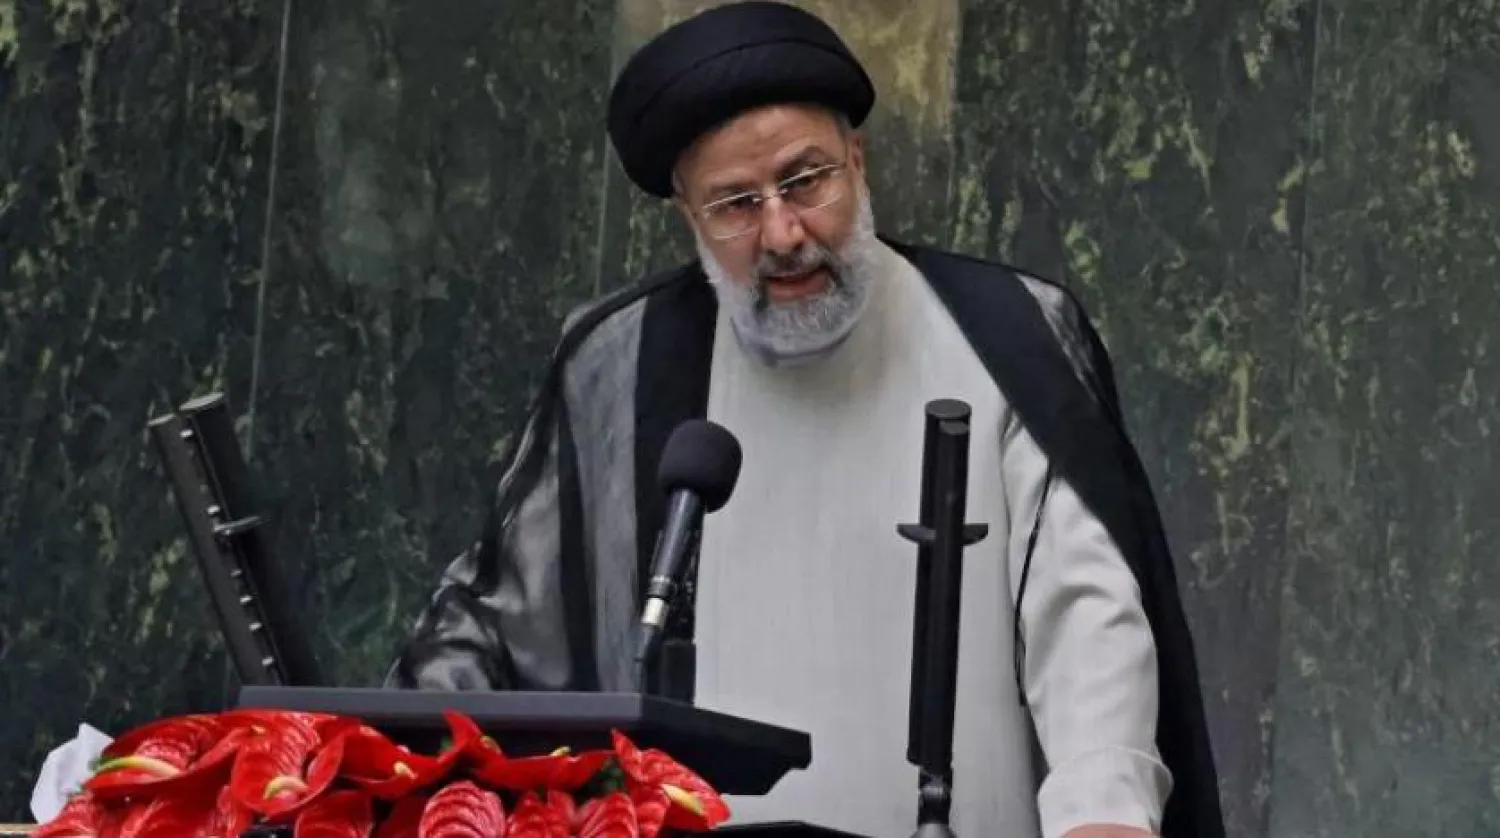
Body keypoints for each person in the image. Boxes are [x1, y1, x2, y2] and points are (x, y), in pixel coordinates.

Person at [386, 3, 1223, 837]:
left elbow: (1085, 618)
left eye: (806, 180)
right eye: (735, 204)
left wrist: (1103, 813)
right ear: (688, 216)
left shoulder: (1007, 331)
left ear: (857, 161)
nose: (783, 233)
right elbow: (500, 623)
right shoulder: (623, 360)